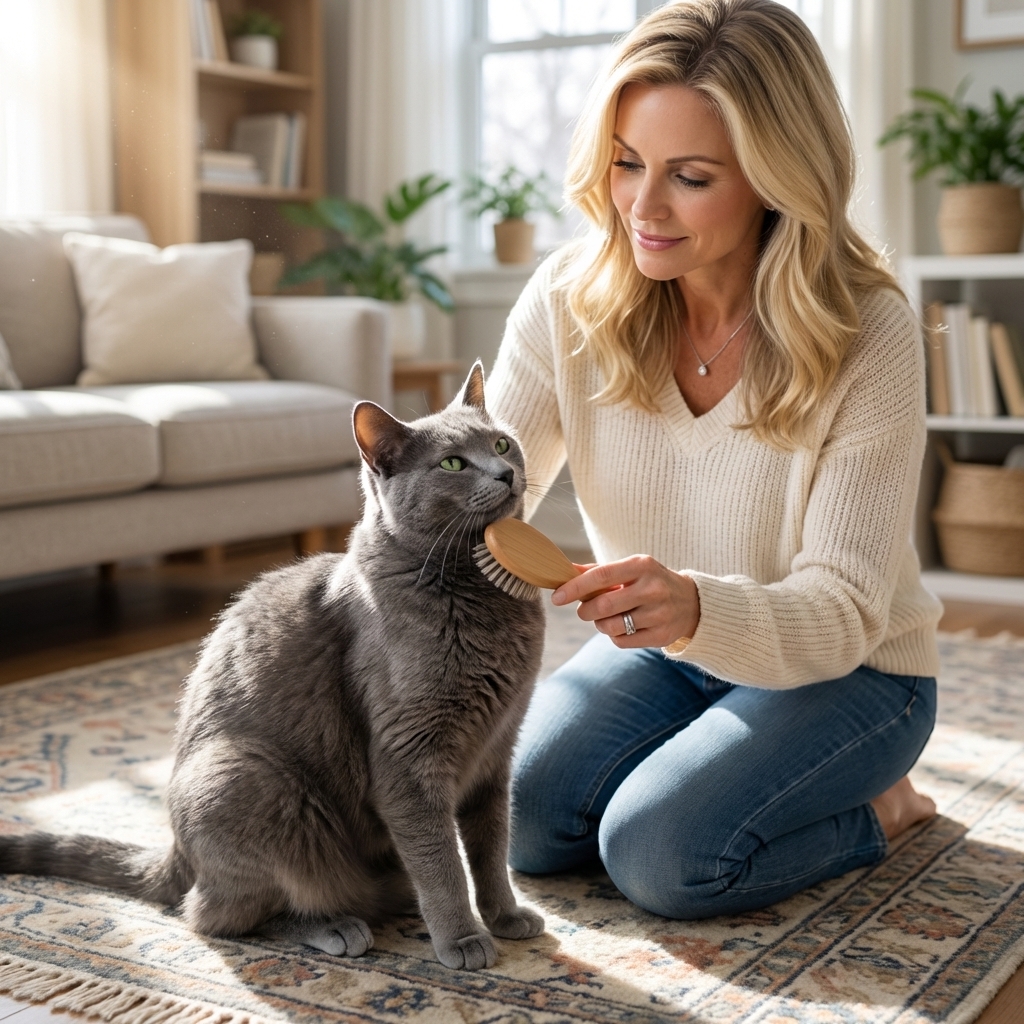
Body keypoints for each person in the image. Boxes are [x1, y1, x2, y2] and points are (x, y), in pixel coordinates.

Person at [485, 0, 942, 920]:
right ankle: (713, 752)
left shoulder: (870, 333)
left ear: (778, 178)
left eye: (689, 177)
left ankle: (881, 810)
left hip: (853, 674)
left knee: (659, 854)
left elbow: (848, 610)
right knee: (514, 822)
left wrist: (695, 603)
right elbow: (489, 493)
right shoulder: (570, 299)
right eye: (626, 163)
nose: (642, 208)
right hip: (667, 653)